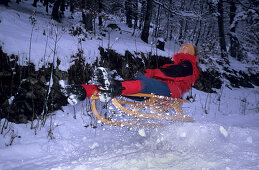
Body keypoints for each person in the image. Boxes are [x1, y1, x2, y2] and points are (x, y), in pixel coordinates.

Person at [63, 43, 200, 104]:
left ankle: (113, 88)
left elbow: (173, 73)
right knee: (125, 85)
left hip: (170, 91)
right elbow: (166, 72)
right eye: (182, 45)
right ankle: (82, 90)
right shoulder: (174, 64)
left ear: (192, 53)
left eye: (186, 47)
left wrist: (151, 72)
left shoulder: (189, 66)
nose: (182, 47)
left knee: (142, 82)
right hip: (156, 90)